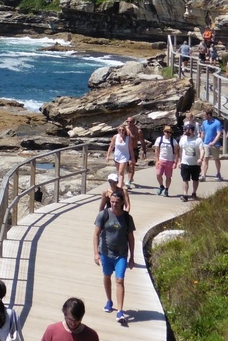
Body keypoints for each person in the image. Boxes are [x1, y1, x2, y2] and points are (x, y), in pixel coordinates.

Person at [93, 190, 135, 323]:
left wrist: (132, 257)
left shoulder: (127, 218)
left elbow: (131, 238)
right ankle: (109, 301)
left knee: (119, 280)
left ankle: (120, 311)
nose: (114, 204)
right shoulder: (103, 215)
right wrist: (95, 253)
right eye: (111, 202)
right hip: (105, 253)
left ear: (122, 202)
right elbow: (96, 235)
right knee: (106, 276)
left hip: (121, 255)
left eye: (117, 202)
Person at [179, 124, 205, 199]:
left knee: (195, 179)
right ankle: (185, 194)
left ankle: (194, 193)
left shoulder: (198, 140)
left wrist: (201, 158)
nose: (185, 131)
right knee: (185, 179)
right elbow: (180, 150)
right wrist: (179, 161)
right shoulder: (183, 139)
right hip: (185, 163)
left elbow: (202, 150)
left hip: (195, 164)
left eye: (186, 130)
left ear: (191, 130)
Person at [152, 125, 180, 197]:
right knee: (158, 175)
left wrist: (175, 162)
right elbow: (156, 150)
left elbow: (176, 152)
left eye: (169, 132)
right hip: (161, 160)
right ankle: (161, 186)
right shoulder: (159, 139)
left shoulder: (173, 141)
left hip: (169, 161)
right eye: (166, 132)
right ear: (164, 132)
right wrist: (157, 160)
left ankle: (167, 189)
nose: (168, 133)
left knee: (168, 177)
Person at [105, 124, 132, 189]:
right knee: (119, 172)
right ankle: (122, 183)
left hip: (125, 157)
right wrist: (108, 156)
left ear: (125, 131)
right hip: (117, 156)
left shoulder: (128, 138)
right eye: (120, 130)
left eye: (123, 130)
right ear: (118, 130)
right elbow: (111, 146)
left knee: (120, 172)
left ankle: (119, 187)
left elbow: (130, 149)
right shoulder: (115, 137)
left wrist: (132, 158)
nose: (121, 131)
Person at [200, 108, 223, 181]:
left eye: (204, 115)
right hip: (206, 143)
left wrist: (213, 142)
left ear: (209, 115)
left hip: (215, 145)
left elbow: (219, 134)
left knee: (216, 159)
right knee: (205, 159)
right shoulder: (204, 122)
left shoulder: (217, 123)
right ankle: (203, 175)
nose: (203, 116)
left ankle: (218, 173)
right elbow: (203, 133)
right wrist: (201, 141)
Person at [125, 116, 145, 187]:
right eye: (128, 122)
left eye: (131, 122)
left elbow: (142, 141)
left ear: (134, 122)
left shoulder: (138, 131)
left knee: (131, 165)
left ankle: (129, 181)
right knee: (127, 166)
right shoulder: (124, 130)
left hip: (134, 150)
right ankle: (130, 177)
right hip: (125, 150)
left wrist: (144, 151)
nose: (129, 123)